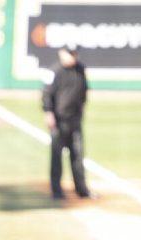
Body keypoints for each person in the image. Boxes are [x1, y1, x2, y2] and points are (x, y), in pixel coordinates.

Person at [42, 45, 92, 200]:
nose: (72, 56)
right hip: (59, 120)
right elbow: (46, 94)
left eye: (74, 53)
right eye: (69, 53)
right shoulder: (54, 71)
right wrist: (48, 112)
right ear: (61, 53)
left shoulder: (80, 69)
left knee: (77, 156)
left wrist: (82, 108)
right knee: (57, 157)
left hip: (75, 120)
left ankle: (81, 190)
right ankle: (56, 191)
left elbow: (84, 91)